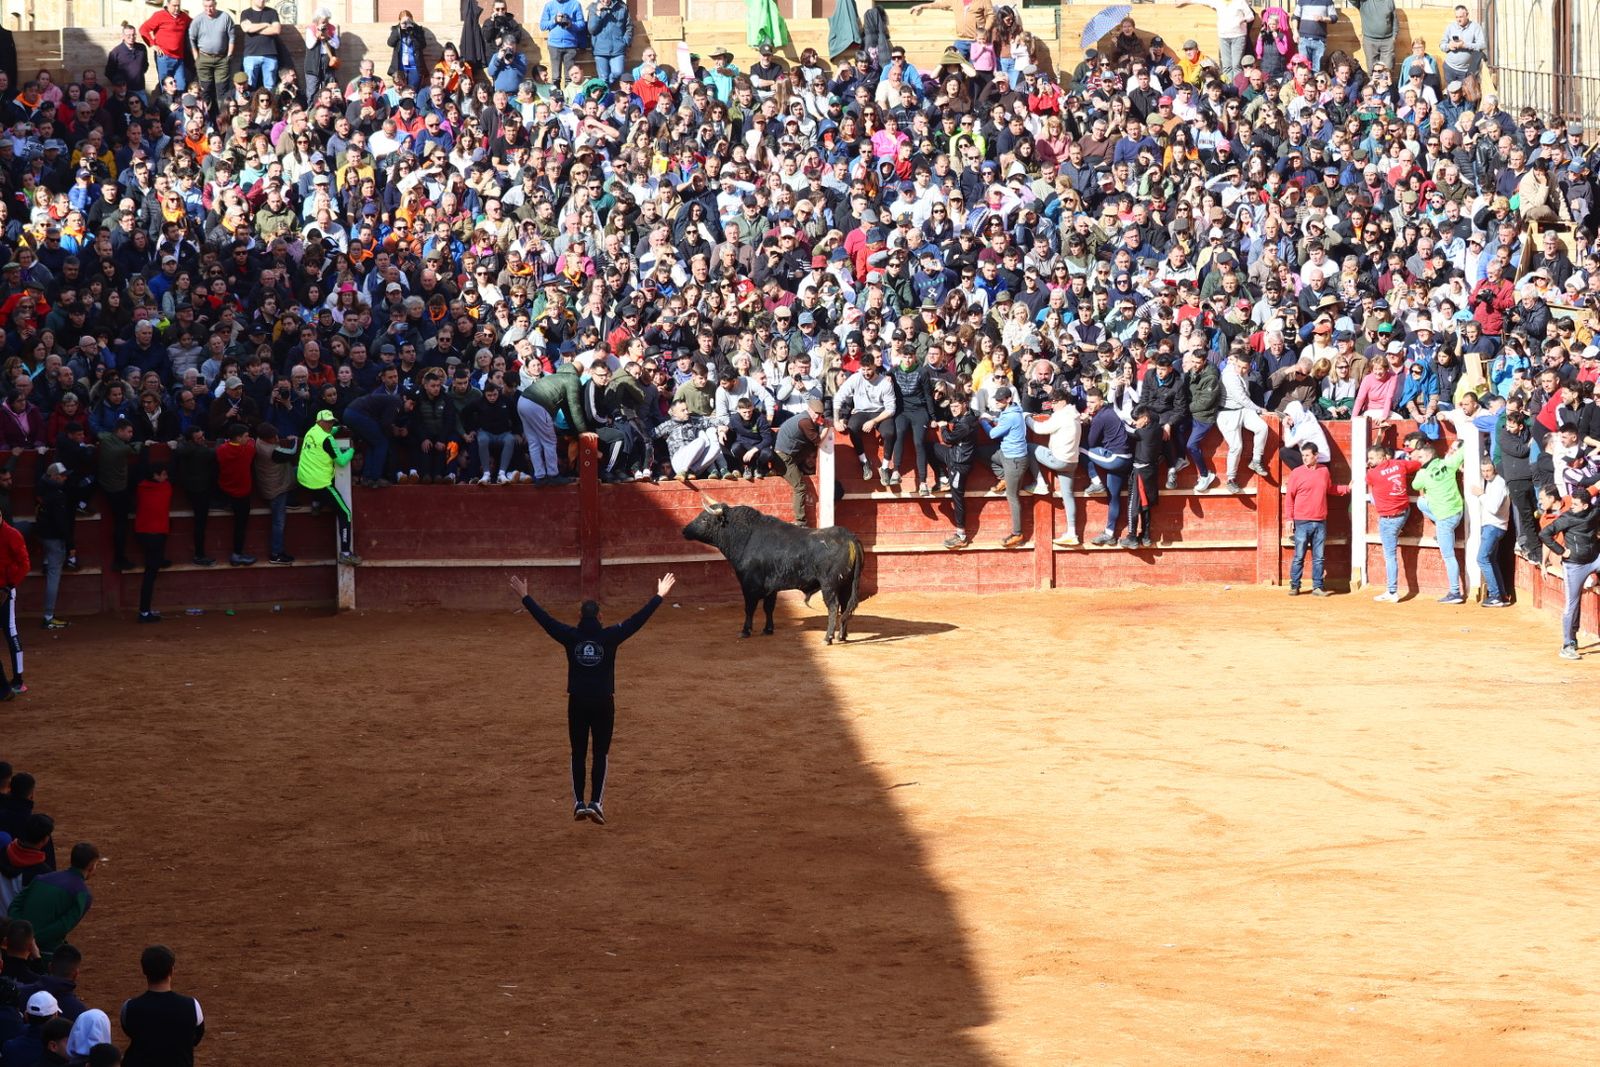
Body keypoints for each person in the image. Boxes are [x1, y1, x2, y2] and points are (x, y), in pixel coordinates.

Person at [510, 572, 675, 824]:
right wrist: (659, 596)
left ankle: (579, 803)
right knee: (600, 753)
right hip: (603, 702)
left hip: (577, 701)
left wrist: (525, 596)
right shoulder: (609, 636)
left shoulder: (570, 636)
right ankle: (596, 802)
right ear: (600, 617)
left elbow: (545, 620)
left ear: (579, 617)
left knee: (578, 752)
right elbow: (637, 620)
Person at [6, 843, 97, 960]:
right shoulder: (83, 894)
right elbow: (63, 926)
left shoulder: (42, 878)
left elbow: (15, 905)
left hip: (18, 944)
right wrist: (32, 939)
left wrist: (22, 933)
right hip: (44, 951)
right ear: (91, 866)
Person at [120, 945, 205, 1067]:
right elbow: (196, 1036)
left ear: (144, 971)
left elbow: (129, 1030)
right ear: (172, 970)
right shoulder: (192, 1005)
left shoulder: (129, 1007)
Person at [1284, 440, 1349, 595]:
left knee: (1319, 557)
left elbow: (1330, 489)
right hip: (1302, 520)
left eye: (1307, 455)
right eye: (1303, 455)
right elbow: (1289, 497)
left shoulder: (1324, 471)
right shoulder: (1296, 473)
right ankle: (1294, 586)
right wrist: (1289, 518)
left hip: (1320, 520)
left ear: (1316, 456)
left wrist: (1347, 488)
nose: (1305, 458)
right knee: (1299, 555)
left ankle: (1318, 587)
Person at [296, 410, 359, 566]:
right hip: (320, 483)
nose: (330, 424)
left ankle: (316, 503)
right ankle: (345, 553)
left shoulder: (312, 430)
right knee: (345, 513)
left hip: (304, 478)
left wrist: (338, 428)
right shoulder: (327, 439)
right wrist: (352, 449)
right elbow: (342, 461)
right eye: (327, 422)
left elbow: (329, 430)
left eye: (332, 421)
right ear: (319, 422)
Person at [1411, 434, 1468, 604]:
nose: (1418, 460)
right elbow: (1464, 450)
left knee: (1448, 556)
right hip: (1457, 511)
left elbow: (1415, 486)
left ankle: (1455, 592)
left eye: (1420, 457)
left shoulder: (1422, 473)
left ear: (1428, 456)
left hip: (1444, 518)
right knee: (1422, 503)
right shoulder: (1447, 463)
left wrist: (1422, 471)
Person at [1365, 440, 1422, 602]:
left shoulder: (1372, 474)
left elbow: (1367, 480)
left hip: (1389, 518)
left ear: (1382, 458)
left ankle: (1392, 591)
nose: (1370, 461)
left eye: (1372, 458)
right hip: (1404, 512)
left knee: (1390, 555)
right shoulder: (1399, 464)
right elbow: (1417, 464)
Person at [1025, 385, 1082, 547]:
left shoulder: (1062, 416)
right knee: (1068, 495)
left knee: (1029, 447)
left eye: (1055, 402)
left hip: (1059, 459)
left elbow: (1039, 428)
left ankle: (1040, 483)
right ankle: (1072, 533)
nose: (1052, 404)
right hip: (1072, 462)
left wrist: (1026, 417)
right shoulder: (1074, 414)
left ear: (1063, 402)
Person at [1082, 388, 1134, 546]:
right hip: (1125, 460)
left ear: (1101, 402)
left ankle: (1096, 482)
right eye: (1087, 402)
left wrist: (1087, 422)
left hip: (1115, 458)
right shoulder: (1108, 412)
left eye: (1092, 402)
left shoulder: (1100, 417)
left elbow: (1091, 443)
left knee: (1081, 449)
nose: (1089, 405)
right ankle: (1110, 534)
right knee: (1113, 496)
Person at [1218, 347, 1271, 493]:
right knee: (1236, 446)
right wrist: (1259, 409)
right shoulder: (1229, 375)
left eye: (1244, 368)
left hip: (1242, 410)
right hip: (1227, 413)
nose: (1241, 370)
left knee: (1262, 427)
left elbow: (1244, 399)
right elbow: (1241, 398)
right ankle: (1230, 479)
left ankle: (1256, 460)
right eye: (1239, 367)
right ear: (1235, 364)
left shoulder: (1244, 373)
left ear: (1249, 367)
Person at [982, 386, 1029, 549]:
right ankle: (1003, 477)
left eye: (1000, 399)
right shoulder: (1011, 412)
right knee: (984, 454)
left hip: (1014, 460)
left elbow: (993, 434)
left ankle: (1017, 534)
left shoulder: (1011, 417)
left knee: (1012, 496)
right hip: (1008, 455)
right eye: (997, 399)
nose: (997, 401)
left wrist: (983, 422)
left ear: (1009, 400)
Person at [773, 397, 826, 525]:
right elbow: (819, 442)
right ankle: (800, 521)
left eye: (819, 414)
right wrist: (826, 429)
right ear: (809, 409)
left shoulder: (803, 418)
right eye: (815, 413)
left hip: (787, 456)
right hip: (784, 458)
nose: (817, 416)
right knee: (800, 487)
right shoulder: (805, 421)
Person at [33, 464, 73, 632]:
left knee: (51, 568)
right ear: (55, 476)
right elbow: (61, 523)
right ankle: (48, 617)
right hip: (54, 538)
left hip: (43, 533)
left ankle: (45, 561)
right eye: (63, 476)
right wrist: (71, 544)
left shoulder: (42, 485)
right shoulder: (56, 495)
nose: (65, 478)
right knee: (54, 574)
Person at [132, 464, 172, 624]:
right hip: (156, 535)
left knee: (151, 567)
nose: (166, 477)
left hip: (142, 533)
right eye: (163, 474)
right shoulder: (166, 488)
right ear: (155, 476)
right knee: (150, 573)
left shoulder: (141, 488)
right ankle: (144, 612)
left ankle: (160, 558)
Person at [1471, 458, 1512, 607]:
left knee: (1482, 559)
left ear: (1494, 469)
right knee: (1491, 560)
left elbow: (1494, 508)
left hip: (1494, 526)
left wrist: (1480, 495)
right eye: (1483, 471)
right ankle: (1501, 595)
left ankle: (1495, 596)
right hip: (1493, 526)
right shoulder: (1493, 483)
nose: (1486, 474)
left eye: (1488, 470)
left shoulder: (1499, 483)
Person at [1123, 404, 1162, 549]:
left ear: (1145, 419)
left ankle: (1132, 536)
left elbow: (1129, 430)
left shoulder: (1143, 433)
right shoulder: (1157, 427)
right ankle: (1145, 536)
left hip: (1140, 471)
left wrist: (1120, 420)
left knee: (1134, 504)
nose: (1135, 422)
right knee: (1146, 505)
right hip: (1152, 471)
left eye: (1137, 420)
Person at [139, 0, 193, 91]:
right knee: (166, 86)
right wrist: (152, 44)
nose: (176, 8)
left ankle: (178, 105)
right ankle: (167, 105)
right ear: (167, 4)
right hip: (164, 57)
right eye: (174, 6)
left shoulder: (184, 17)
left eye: (178, 6)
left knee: (181, 85)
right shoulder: (159, 15)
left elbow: (195, 24)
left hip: (179, 58)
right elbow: (143, 29)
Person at [0, 513, 25, 700]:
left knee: (10, 631)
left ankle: (18, 679)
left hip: (5, 592)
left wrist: (9, 586)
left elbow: (24, 564)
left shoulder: (12, 535)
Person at [540, 0, 589, 87]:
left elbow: (582, 25)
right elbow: (542, 26)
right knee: (555, 77)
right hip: (554, 45)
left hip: (571, 46)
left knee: (569, 76)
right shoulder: (549, 5)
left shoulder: (575, 4)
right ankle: (556, 98)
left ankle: (568, 97)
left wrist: (571, 24)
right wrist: (554, 20)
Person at [238, 0, 281, 91]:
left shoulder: (272, 12)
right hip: (251, 55)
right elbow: (246, 28)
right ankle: (249, 105)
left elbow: (276, 30)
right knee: (248, 86)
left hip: (270, 54)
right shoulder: (246, 13)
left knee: (270, 87)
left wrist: (253, 29)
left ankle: (269, 105)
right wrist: (266, 24)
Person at [587, 0, 633, 85]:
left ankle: (607, 85)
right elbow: (592, 29)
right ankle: (605, 95)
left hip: (618, 49)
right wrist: (598, 12)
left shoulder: (622, 7)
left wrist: (625, 42)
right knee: (603, 79)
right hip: (600, 50)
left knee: (618, 72)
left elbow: (629, 26)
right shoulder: (593, 7)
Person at [387, 11, 427, 91]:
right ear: (399, 21)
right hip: (400, 68)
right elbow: (390, 43)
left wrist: (413, 32)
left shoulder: (418, 30)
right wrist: (399, 29)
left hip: (415, 67)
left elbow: (423, 45)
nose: (406, 24)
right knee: (401, 90)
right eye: (404, 22)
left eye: (408, 21)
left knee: (413, 90)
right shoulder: (396, 30)